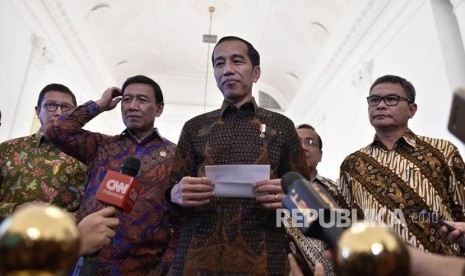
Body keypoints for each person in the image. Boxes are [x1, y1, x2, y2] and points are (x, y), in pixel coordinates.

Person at [165, 36, 308, 275]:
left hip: (265, 256)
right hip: (198, 257)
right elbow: (171, 190)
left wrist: (289, 198)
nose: (227, 70)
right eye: (219, 64)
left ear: (256, 73)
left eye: (237, 61)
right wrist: (174, 194)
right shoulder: (195, 127)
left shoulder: (281, 126)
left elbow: (305, 194)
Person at [46, 75, 178, 275]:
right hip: (86, 265)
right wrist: (99, 104)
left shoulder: (176, 156)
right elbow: (56, 131)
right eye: (127, 99)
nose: (132, 106)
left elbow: (182, 221)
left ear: (159, 108)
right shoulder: (100, 146)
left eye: (142, 100)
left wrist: (163, 271)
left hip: (141, 269)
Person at [338, 74, 465, 256]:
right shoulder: (352, 164)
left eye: (391, 99)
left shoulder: (443, 151)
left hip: (441, 266)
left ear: (411, 110)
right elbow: (348, 225)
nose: (380, 105)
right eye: (374, 100)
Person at [0, 84, 86, 218]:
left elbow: (95, 210)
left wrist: (71, 218)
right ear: (38, 111)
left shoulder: (87, 157)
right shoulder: (8, 149)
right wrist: (14, 209)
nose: (58, 112)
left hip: (61, 236)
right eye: (50, 105)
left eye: (66, 107)